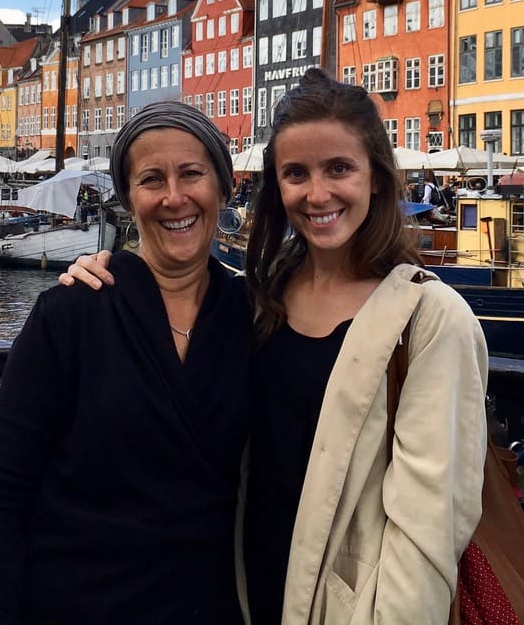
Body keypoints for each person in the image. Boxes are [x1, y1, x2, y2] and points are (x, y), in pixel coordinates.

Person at [62, 68, 490, 623]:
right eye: (296, 173)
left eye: (339, 168)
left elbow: (428, 534)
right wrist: (103, 268)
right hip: (243, 598)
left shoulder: (430, 319)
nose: (317, 194)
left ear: (376, 177)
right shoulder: (262, 296)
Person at [0, 101, 252, 624]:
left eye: (192, 174)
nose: (174, 197)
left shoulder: (254, 315)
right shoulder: (71, 313)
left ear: (224, 186)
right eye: (151, 179)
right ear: (127, 197)